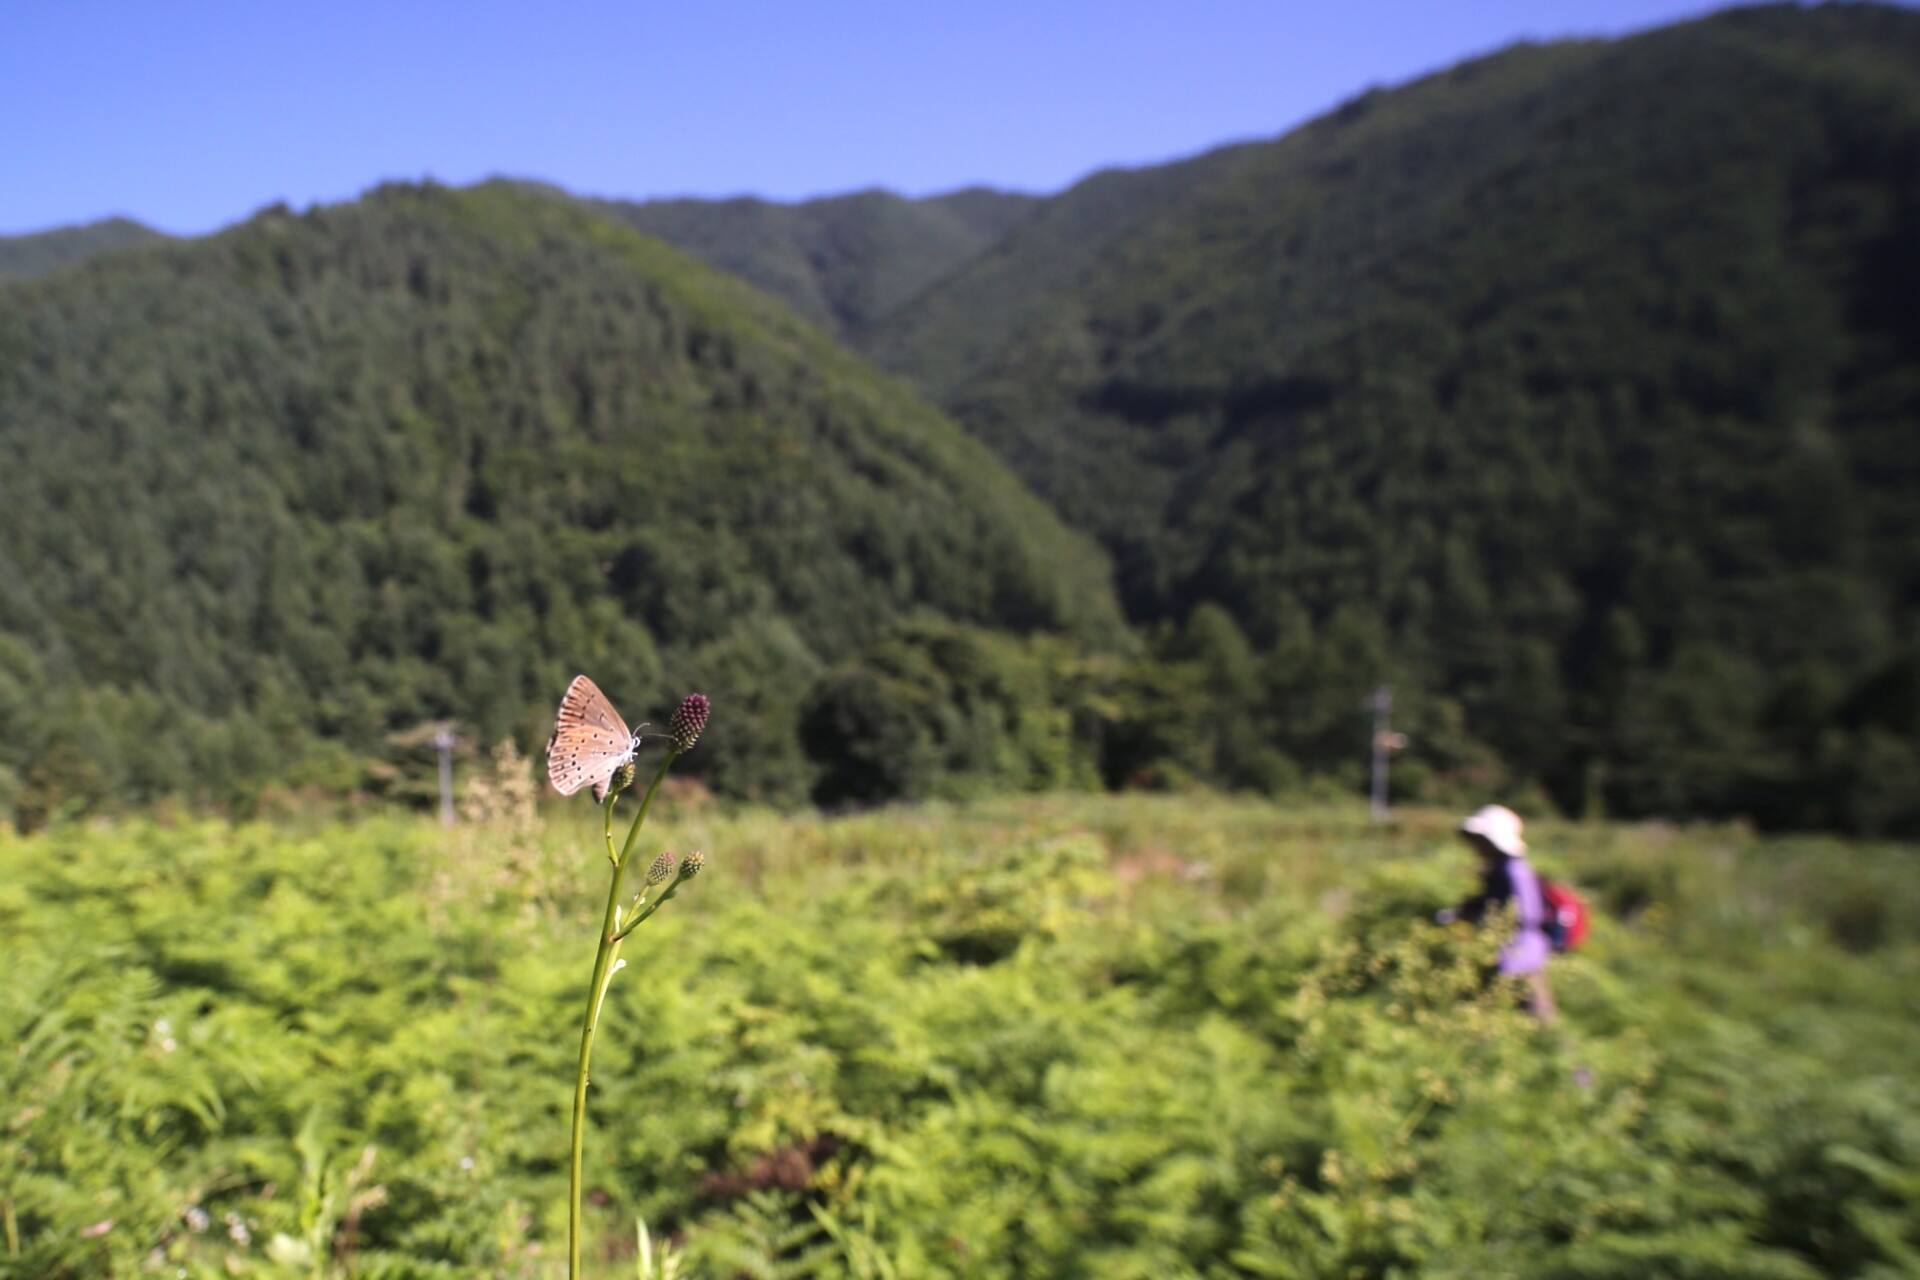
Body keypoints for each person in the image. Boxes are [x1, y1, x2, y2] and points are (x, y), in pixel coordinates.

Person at [1435, 804, 1557, 1023]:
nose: (1476, 847)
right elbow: (1488, 902)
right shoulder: (1500, 869)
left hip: (1521, 953)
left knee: (1539, 1020)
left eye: (1480, 840)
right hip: (1505, 950)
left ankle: (1560, 1055)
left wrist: (1480, 918)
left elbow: (1525, 914)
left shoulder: (1513, 870)